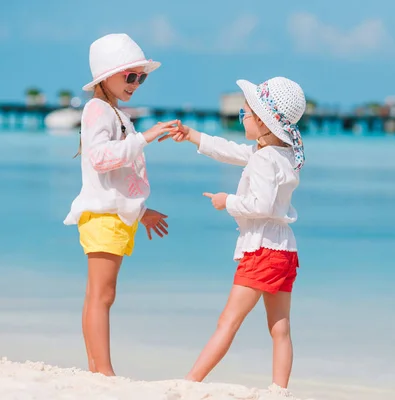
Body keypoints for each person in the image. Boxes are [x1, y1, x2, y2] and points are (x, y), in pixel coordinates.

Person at [163, 76, 306, 395]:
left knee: (228, 321)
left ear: (265, 123)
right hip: (284, 250)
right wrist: (192, 136)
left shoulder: (266, 158)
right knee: (280, 327)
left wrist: (226, 201)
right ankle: (279, 390)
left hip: (262, 252)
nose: (241, 117)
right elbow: (229, 150)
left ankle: (191, 381)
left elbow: (263, 204)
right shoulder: (280, 154)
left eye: (246, 113)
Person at [63, 33, 178, 376]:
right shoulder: (98, 109)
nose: (136, 84)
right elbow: (101, 159)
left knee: (97, 295)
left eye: (140, 77)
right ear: (105, 76)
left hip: (111, 215)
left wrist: (141, 212)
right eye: (130, 76)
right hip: (104, 218)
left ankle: (96, 367)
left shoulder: (112, 111)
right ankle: (104, 371)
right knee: (102, 295)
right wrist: (146, 137)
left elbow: (115, 179)